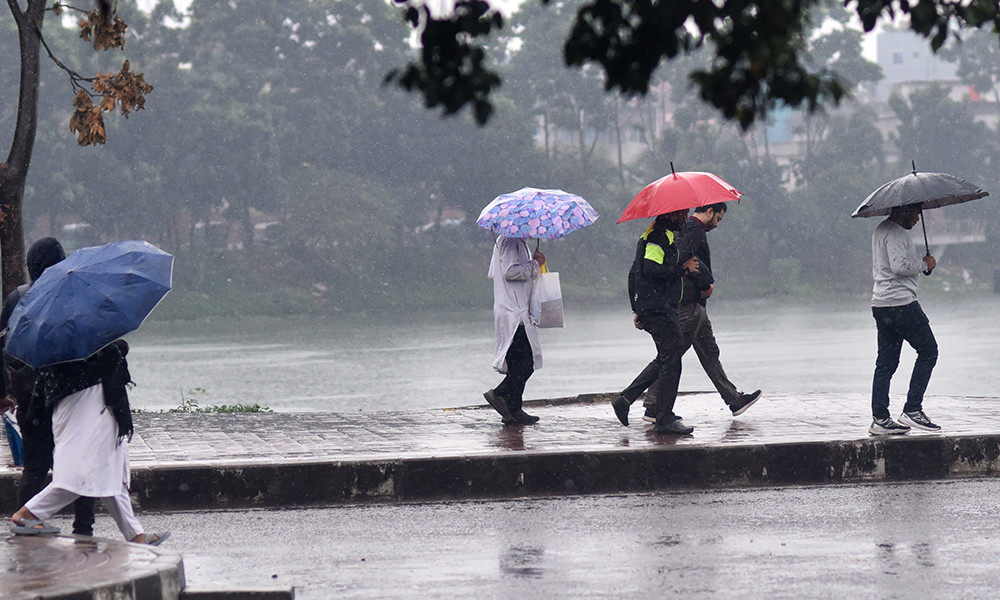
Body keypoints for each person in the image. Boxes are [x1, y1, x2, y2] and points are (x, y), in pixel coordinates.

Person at [8, 293, 169, 543]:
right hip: (85, 408)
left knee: (111, 469)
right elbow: (96, 363)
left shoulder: (56, 331)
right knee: (76, 473)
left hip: (96, 406)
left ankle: (134, 533)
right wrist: (120, 348)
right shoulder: (73, 331)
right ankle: (29, 513)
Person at [1, 238, 96, 536]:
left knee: (36, 462)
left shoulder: (18, 298)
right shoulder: (77, 295)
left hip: (29, 392)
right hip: (70, 391)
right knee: (80, 462)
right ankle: (83, 527)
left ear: (32, 265)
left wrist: (2, 391)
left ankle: (28, 521)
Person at [640, 203, 761, 423]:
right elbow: (685, 259)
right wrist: (706, 282)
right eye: (718, 218)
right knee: (671, 356)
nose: (717, 224)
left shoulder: (688, 228)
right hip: (689, 305)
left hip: (696, 305)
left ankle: (734, 400)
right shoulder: (693, 229)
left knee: (710, 353)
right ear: (709, 211)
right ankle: (651, 405)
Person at [611, 210, 699, 435]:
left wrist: (637, 307)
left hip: (652, 307)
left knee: (667, 357)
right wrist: (683, 268)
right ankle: (664, 419)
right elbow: (651, 269)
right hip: (659, 308)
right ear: (672, 214)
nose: (686, 217)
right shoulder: (659, 236)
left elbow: (634, 274)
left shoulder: (656, 234)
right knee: (672, 359)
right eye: (683, 213)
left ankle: (626, 399)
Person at [867, 204, 940, 435]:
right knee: (929, 351)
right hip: (901, 304)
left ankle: (880, 418)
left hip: (881, 304)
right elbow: (899, 267)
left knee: (886, 364)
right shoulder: (897, 232)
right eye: (915, 212)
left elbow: (890, 266)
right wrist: (924, 265)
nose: (918, 218)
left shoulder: (881, 229)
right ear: (903, 210)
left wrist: (920, 267)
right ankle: (913, 409)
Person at [483, 236, 545, 425]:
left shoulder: (512, 241)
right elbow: (510, 272)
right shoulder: (511, 241)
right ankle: (499, 394)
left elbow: (496, 272)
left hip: (512, 309)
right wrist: (536, 264)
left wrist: (532, 263)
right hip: (514, 313)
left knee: (518, 362)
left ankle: (513, 409)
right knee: (527, 361)